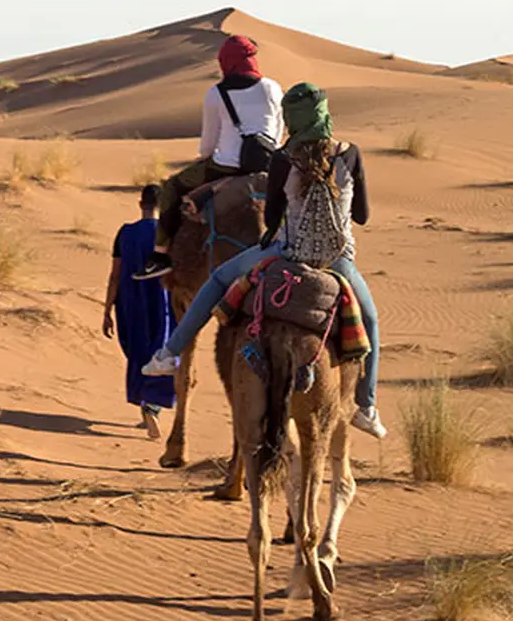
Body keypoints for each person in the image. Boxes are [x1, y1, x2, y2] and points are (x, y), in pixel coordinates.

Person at [141, 82, 385, 438]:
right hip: (338, 261)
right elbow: (361, 215)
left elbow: (272, 219)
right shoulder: (350, 153)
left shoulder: (284, 159)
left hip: (286, 251)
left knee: (218, 281)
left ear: (292, 119)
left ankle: (169, 354)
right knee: (371, 321)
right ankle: (366, 405)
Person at [134, 34, 284, 280]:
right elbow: (278, 132)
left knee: (172, 187)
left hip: (226, 167)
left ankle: (160, 256)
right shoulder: (272, 88)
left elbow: (206, 148)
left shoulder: (216, 94)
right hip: (269, 164)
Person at [103, 184, 178, 439]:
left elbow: (114, 276)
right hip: (163, 302)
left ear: (140, 204)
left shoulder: (125, 233)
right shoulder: (169, 234)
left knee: (138, 351)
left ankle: (146, 405)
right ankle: (152, 406)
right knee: (162, 351)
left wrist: (107, 310)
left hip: (131, 302)